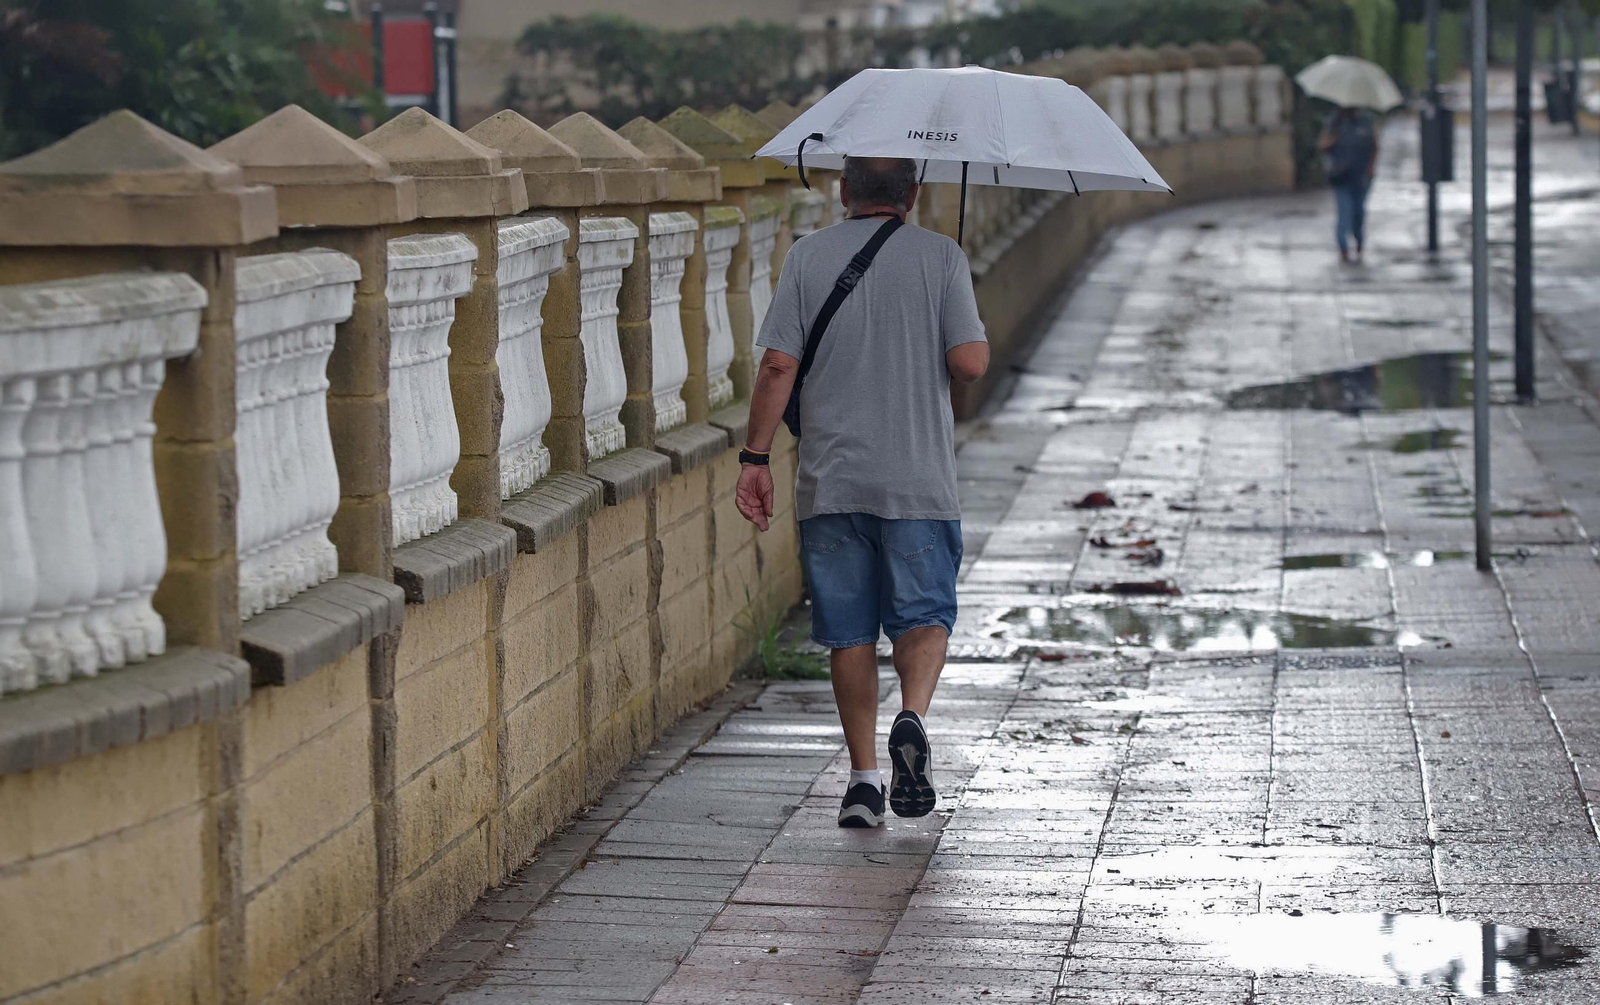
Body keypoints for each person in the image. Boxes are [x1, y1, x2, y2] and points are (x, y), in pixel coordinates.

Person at [735, 156, 989, 828]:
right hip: (918, 479)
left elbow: (777, 365)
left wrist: (754, 456)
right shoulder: (943, 257)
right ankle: (912, 715)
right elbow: (969, 362)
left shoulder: (808, 257)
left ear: (844, 191)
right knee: (924, 615)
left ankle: (865, 781)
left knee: (848, 631)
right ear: (914, 192)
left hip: (832, 478)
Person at [1320, 106, 1379, 263]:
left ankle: (1359, 240)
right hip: (1342, 177)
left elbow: (1374, 145)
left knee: (1358, 213)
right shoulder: (1334, 122)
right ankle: (1343, 248)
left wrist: (1371, 168)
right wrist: (1334, 139)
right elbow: (1323, 145)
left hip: (1361, 177)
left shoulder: (1366, 121)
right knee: (1344, 213)